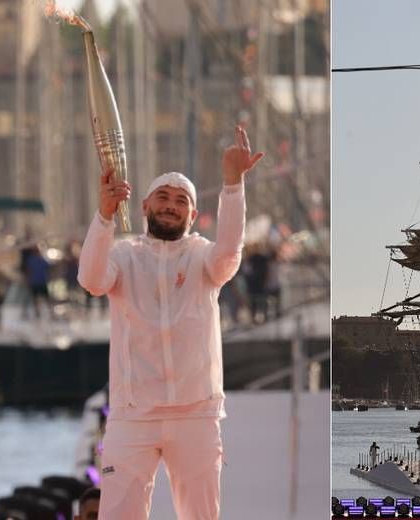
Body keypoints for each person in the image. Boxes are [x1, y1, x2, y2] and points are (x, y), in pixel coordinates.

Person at [78, 125, 264, 519]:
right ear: (144, 206)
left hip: (196, 413)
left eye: (181, 200)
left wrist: (233, 185)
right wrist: (104, 216)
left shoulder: (203, 257)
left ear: (193, 214)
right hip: (132, 415)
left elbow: (230, 255)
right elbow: (91, 281)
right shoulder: (124, 254)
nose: (170, 205)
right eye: (162, 197)